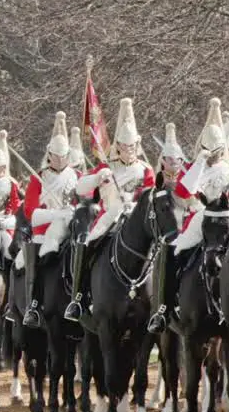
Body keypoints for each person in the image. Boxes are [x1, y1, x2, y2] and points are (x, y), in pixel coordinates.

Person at [151, 98, 229, 333]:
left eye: (217, 151)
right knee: (172, 249)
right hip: (200, 217)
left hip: (226, 217)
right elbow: (184, 193)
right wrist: (200, 163)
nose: (214, 155)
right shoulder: (195, 167)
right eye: (209, 150)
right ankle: (164, 308)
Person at [64, 97, 157, 323]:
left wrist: (133, 205)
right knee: (86, 244)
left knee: (160, 248)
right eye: (125, 146)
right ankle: (78, 296)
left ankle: (162, 302)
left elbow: (151, 196)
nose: (129, 150)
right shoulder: (107, 166)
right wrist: (98, 176)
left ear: (138, 145)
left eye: (132, 145)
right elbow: (80, 187)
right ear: (118, 146)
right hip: (109, 217)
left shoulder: (145, 169)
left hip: (136, 219)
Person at [19, 111, 80, 328]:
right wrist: (56, 214)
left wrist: (74, 211)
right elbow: (30, 212)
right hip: (44, 233)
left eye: (64, 156)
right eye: (56, 155)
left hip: (72, 230)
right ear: (49, 154)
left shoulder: (77, 177)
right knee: (40, 260)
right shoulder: (38, 178)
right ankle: (34, 306)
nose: (60, 160)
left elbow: (87, 202)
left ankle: (83, 299)